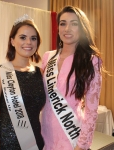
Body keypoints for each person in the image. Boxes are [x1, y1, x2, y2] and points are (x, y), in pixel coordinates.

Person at [41, 6, 103, 150]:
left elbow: (91, 111)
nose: (67, 28)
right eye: (63, 23)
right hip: (45, 135)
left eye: (74, 24)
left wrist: (81, 146)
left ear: (82, 28)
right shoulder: (47, 57)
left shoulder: (91, 61)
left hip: (72, 135)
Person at [0, 14, 46, 150]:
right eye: (22, 37)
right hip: (7, 146)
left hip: (35, 145)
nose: (28, 42)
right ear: (12, 41)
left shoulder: (41, 73)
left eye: (33, 38)